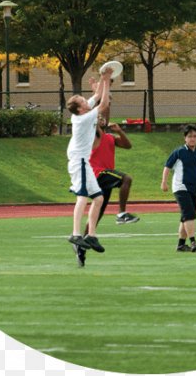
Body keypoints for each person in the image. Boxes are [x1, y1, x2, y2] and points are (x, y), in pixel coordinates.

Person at [74, 117, 137, 267]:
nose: (101, 119)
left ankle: (81, 246)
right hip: (98, 173)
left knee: (97, 215)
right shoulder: (94, 135)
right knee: (126, 179)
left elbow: (128, 146)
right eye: (98, 117)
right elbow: (95, 118)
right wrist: (103, 98)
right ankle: (122, 214)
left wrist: (120, 131)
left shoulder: (109, 137)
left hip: (105, 177)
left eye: (102, 118)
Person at [65, 67, 113, 255]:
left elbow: (98, 96)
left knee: (99, 198)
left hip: (82, 160)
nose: (86, 100)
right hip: (80, 161)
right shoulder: (83, 118)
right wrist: (107, 80)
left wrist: (101, 80)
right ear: (80, 108)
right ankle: (76, 233)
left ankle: (91, 235)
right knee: (82, 196)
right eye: (83, 100)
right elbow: (104, 104)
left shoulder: (82, 111)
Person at [161, 124, 196, 253]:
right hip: (180, 188)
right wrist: (164, 182)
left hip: (194, 189)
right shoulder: (179, 152)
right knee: (190, 214)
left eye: (195, 136)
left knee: (185, 216)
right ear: (185, 138)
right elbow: (167, 167)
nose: (192, 139)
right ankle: (193, 241)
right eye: (189, 136)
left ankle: (181, 245)